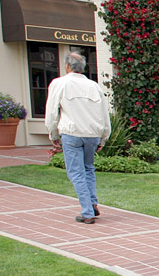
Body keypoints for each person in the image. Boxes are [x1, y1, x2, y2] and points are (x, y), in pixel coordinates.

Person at [45, 52, 111, 224]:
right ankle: (92, 202)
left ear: (67, 66)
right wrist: (103, 137)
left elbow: (52, 112)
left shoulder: (59, 84)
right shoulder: (94, 86)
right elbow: (104, 114)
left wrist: (53, 134)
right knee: (88, 168)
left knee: (76, 172)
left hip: (72, 133)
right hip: (92, 134)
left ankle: (88, 210)